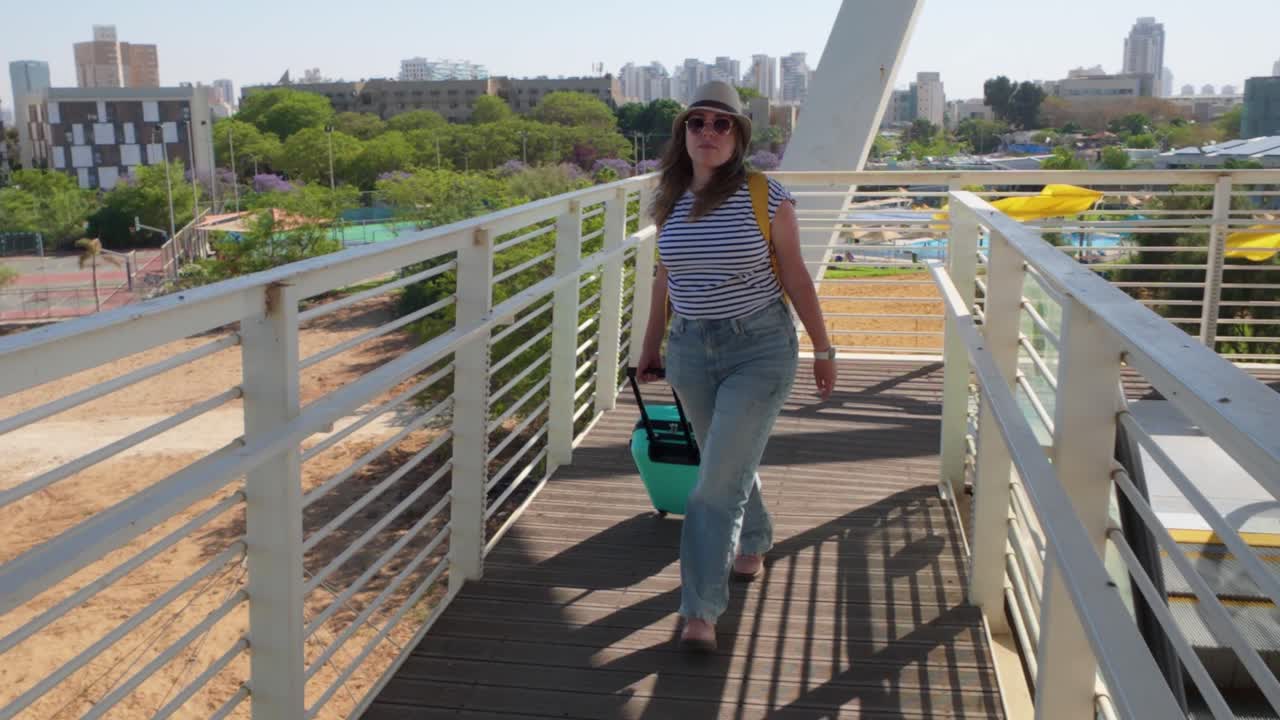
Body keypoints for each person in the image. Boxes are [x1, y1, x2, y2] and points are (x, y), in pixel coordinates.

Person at [636, 81, 837, 652]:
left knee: (711, 486)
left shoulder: (766, 195)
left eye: (721, 124)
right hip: (690, 350)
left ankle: (700, 610)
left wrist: (824, 349)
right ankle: (757, 536)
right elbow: (665, 278)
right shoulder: (668, 198)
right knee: (726, 458)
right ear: (683, 134)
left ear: (739, 136)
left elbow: (796, 275)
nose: (708, 132)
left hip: (759, 347)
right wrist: (651, 346)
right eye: (697, 122)